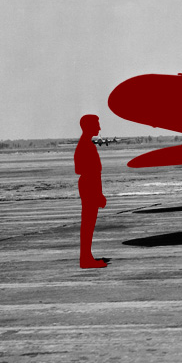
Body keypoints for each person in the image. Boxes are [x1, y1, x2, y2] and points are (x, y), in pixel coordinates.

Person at [75, 114, 108, 269]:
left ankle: (87, 257)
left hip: (88, 186)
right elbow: (86, 170)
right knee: (88, 225)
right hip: (89, 187)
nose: (99, 127)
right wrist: (97, 194)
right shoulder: (86, 146)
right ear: (88, 126)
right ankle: (86, 259)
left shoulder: (86, 144)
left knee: (88, 224)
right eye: (96, 124)